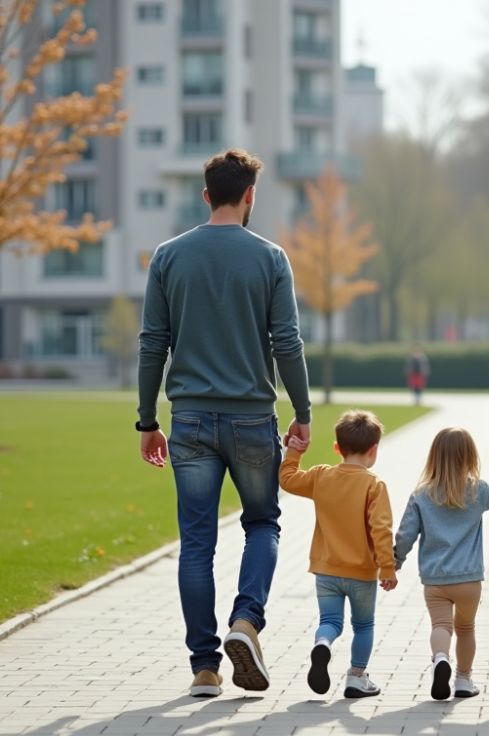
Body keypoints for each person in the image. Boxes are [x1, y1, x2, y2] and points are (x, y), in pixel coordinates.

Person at [136, 149, 312, 699]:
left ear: (207, 194)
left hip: (188, 422)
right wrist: (303, 415)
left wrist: (147, 420)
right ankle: (246, 622)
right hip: (252, 420)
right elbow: (286, 343)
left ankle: (205, 668)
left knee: (196, 543)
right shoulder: (270, 258)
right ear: (250, 196)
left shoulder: (167, 256)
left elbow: (152, 345)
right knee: (262, 524)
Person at [279, 409, 397, 699]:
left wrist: (292, 452)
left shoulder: (321, 476)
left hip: (327, 571)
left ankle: (323, 643)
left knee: (331, 622)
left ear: (336, 448)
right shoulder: (374, 485)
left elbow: (288, 480)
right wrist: (388, 567)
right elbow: (381, 530)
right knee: (363, 625)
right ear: (374, 451)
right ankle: (357, 677)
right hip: (361, 574)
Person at [393, 428, 489, 701]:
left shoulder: (421, 496)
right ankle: (463, 679)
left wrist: (395, 561)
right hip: (469, 580)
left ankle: (440, 659)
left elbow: (405, 535)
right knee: (465, 628)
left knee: (441, 626)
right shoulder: (477, 491)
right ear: (470, 458)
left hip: (436, 580)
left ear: (434, 458)